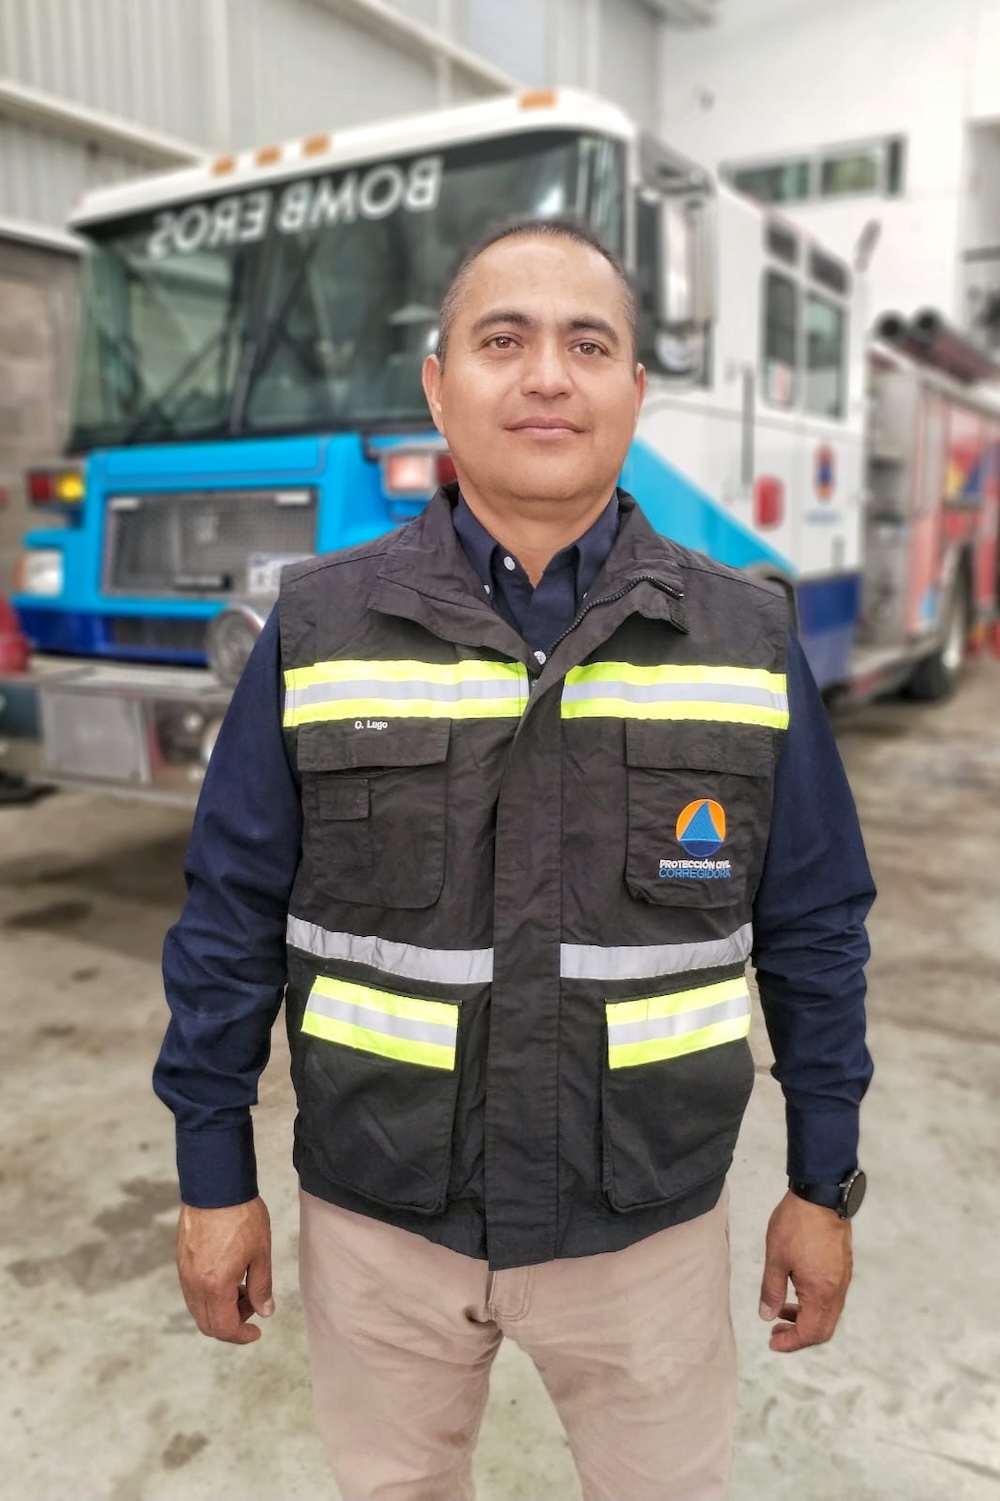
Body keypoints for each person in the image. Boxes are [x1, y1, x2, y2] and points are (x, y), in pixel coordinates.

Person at [155, 217, 874, 1501]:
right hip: (381, 1223)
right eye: (504, 339)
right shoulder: (316, 628)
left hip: (645, 1228)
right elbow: (228, 923)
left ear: (635, 391)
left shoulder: (745, 637)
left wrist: (822, 1183)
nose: (547, 375)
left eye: (586, 344)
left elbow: (815, 929)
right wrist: (215, 1177)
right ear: (438, 386)